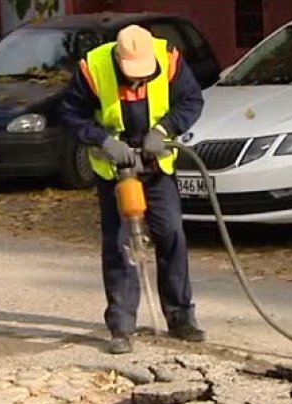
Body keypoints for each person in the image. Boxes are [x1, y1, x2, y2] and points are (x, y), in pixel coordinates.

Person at [58, 24, 206, 354]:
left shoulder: (168, 60)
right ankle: (122, 326)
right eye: (132, 76)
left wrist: (164, 129)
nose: (138, 82)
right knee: (120, 244)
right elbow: (70, 112)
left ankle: (181, 316)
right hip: (115, 168)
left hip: (156, 165)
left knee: (171, 234)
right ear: (118, 60)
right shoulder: (93, 68)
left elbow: (192, 100)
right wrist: (102, 140)